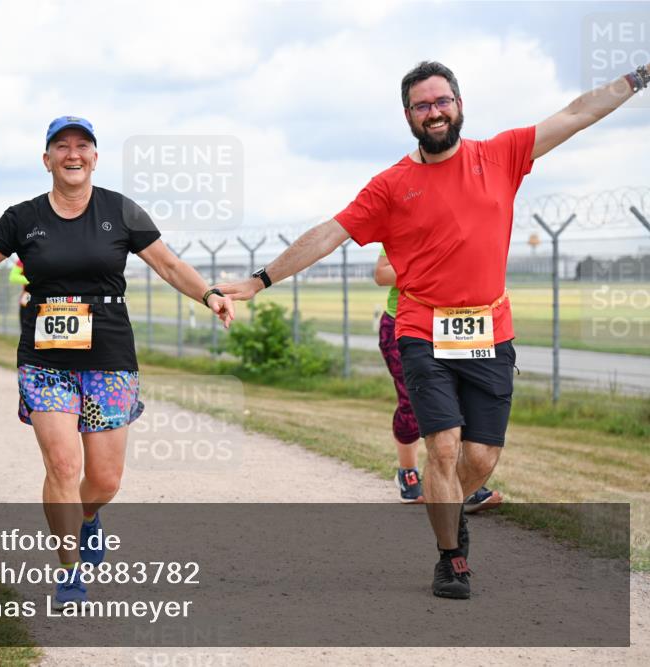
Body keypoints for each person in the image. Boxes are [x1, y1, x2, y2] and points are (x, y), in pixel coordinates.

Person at [218, 61, 648, 600]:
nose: (435, 112)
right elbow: (330, 233)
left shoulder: (502, 154)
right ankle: (451, 557)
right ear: (408, 116)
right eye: (422, 105)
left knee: (481, 458)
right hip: (422, 328)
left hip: (490, 329)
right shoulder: (391, 185)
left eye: (442, 101)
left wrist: (639, 77)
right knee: (443, 449)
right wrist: (260, 280)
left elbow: (578, 112)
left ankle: (448, 504)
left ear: (459, 104)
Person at [0, 115, 234, 609]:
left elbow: (168, 264)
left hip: (108, 355)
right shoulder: (22, 218)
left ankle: (88, 517)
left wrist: (208, 294)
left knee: (104, 480)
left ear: (95, 158)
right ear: (47, 160)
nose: (72, 154)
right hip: (45, 358)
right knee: (62, 463)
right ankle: (69, 572)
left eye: (83, 145)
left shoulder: (121, 211)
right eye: (62, 146)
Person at [375, 248, 504, 511]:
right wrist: (433, 268)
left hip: (458, 324)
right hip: (406, 324)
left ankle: (462, 484)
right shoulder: (407, 216)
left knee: (459, 405)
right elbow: (381, 274)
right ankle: (408, 473)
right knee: (412, 402)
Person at [9, 256, 30, 332]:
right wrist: (32, 280)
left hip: (48, 297)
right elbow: (13, 277)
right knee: (25, 329)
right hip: (28, 296)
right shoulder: (23, 258)